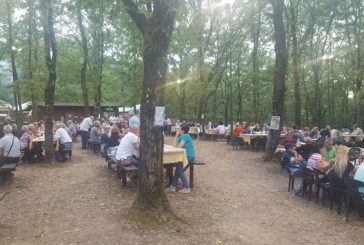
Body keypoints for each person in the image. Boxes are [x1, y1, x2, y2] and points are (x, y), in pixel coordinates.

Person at [167, 124, 195, 194]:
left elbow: (179, 147)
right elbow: (174, 146)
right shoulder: (182, 137)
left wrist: (177, 137)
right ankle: (173, 186)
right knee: (178, 169)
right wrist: (176, 136)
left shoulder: (186, 136)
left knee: (179, 170)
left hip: (189, 156)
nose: (178, 130)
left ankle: (187, 187)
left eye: (179, 129)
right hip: (183, 156)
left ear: (182, 130)